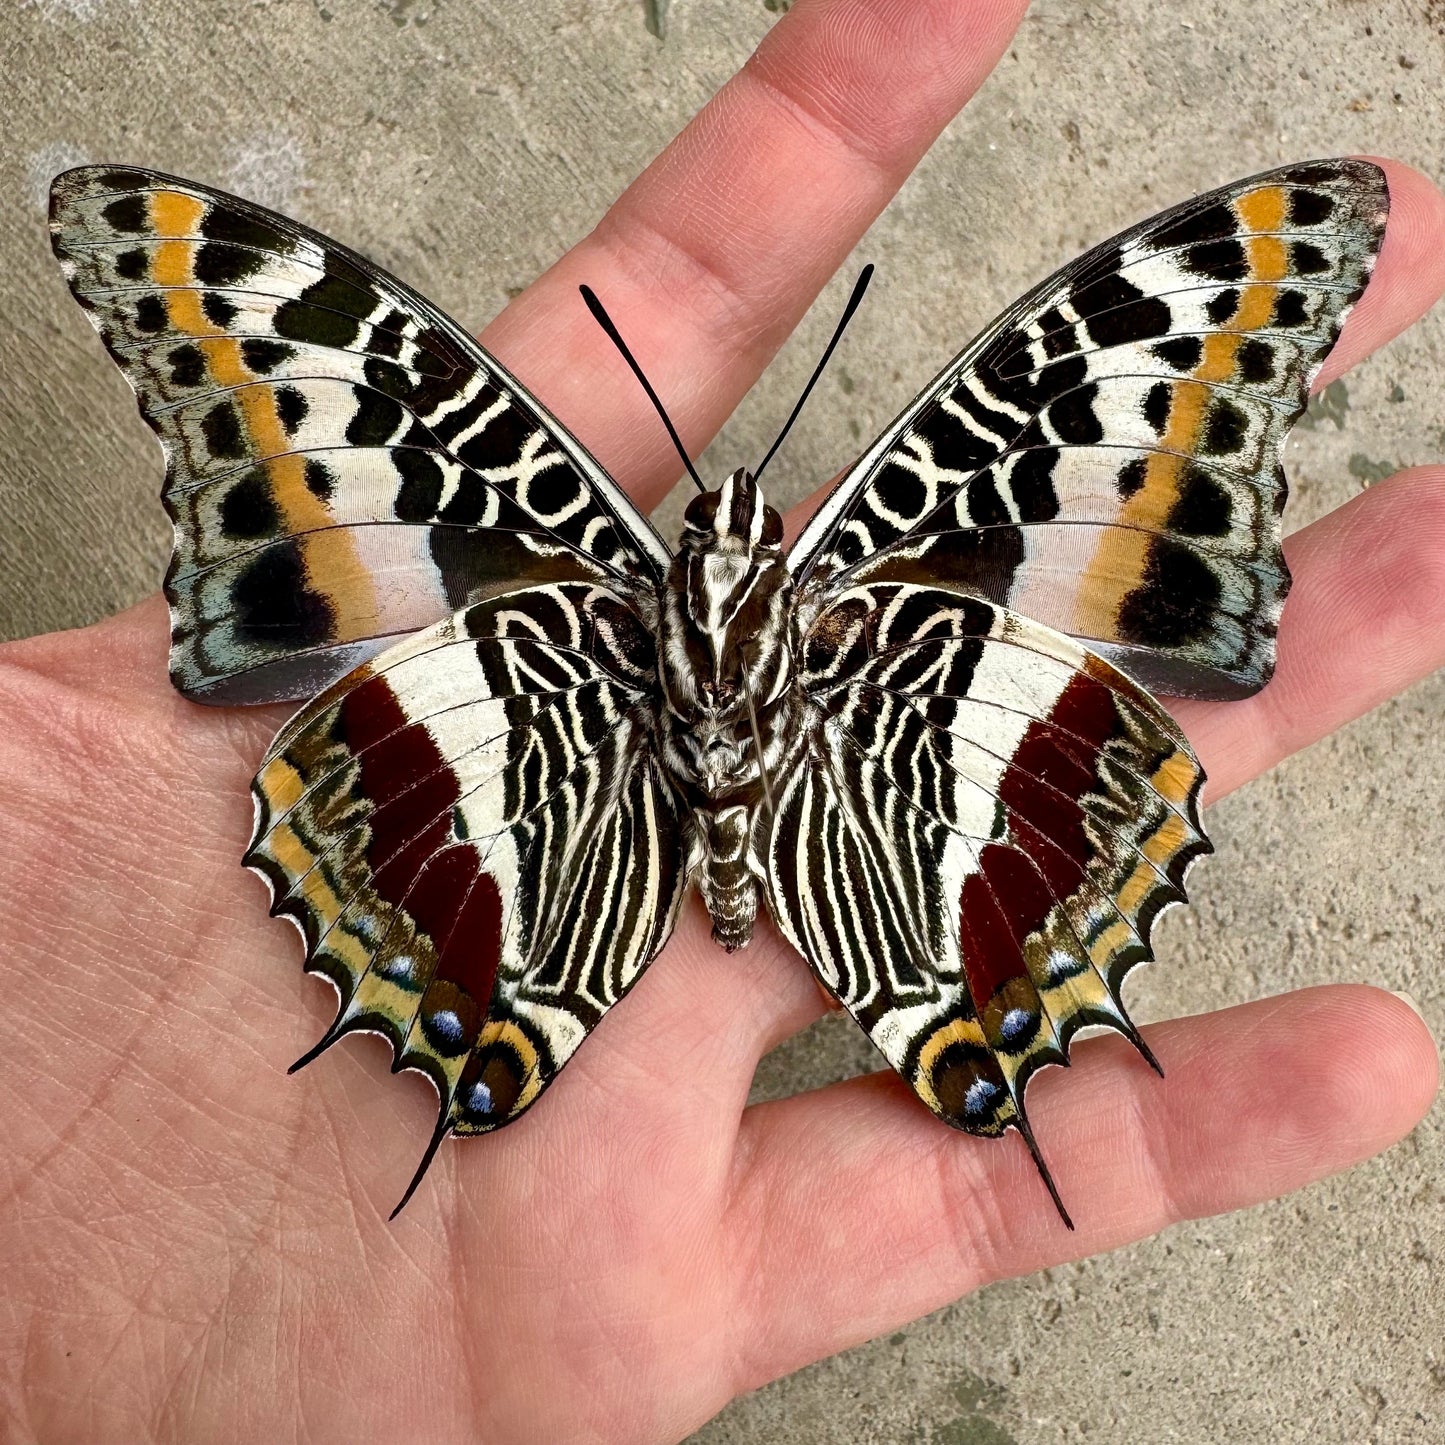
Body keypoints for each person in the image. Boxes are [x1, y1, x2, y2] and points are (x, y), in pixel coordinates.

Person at [3, 1, 1442, 1440]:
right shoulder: (836, 546)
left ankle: (920, 1004)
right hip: (788, 763)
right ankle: (530, 1009)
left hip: (602, 760)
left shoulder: (576, 536)